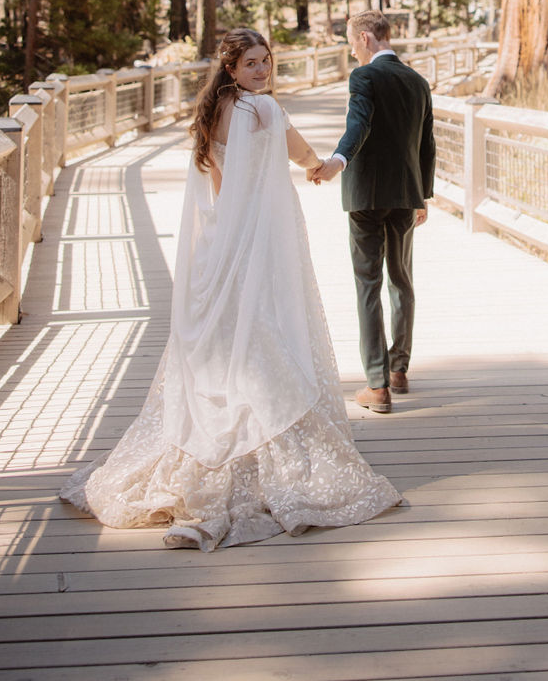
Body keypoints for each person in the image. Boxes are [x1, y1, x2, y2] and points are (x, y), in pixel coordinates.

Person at [60, 27, 400, 550]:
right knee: (268, 328)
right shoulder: (262, 111)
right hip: (263, 238)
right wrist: (322, 167)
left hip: (224, 240)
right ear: (232, 68)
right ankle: (266, 450)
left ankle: (214, 444)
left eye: (266, 61)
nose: (262, 71)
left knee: (229, 338)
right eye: (251, 64)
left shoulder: (214, 111)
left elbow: (220, 184)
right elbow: (302, 152)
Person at [310, 10, 436, 414]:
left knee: (368, 284)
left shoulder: (364, 77)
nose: (351, 52)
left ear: (365, 38)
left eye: (351, 43)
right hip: (405, 194)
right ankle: (399, 369)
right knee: (402, 281)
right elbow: (426, 143)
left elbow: (358, 123)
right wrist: (423, 195)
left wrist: (337, 160)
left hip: (365, 197)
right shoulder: (417, 81)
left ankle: (377, 385)